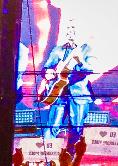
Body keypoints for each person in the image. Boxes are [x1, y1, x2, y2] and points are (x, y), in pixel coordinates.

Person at [40, 19, 95, 155]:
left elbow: (90, 70)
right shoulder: (58, 50)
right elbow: (46, 68)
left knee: (76, 129)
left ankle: (70, 160)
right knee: (51, 127)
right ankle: (48, 158)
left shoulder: (88, 49)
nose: (70, 31)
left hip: (78, 95)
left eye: (73, 27)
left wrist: (80, 60)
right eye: (68, 27)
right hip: (59, 94)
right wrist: (48, 72)